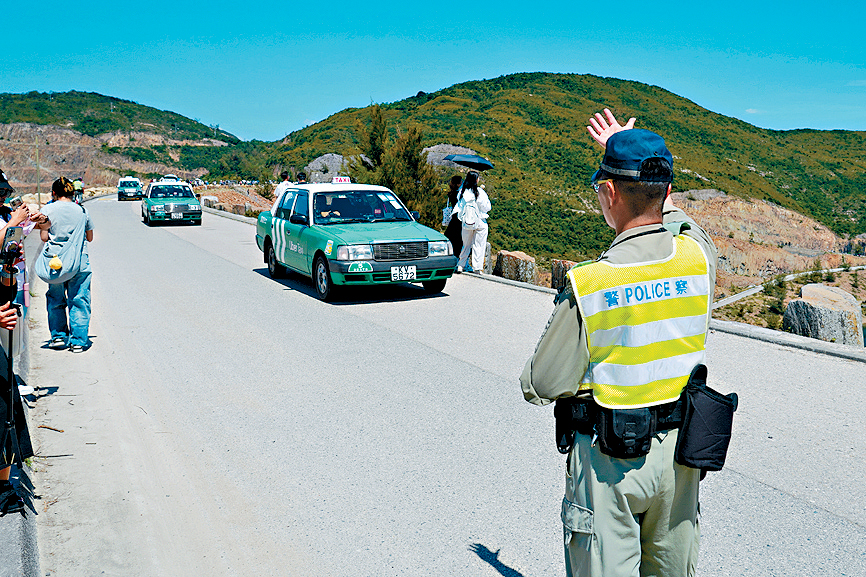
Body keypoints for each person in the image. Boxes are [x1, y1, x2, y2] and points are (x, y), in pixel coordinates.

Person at [520, 109, 717, 577]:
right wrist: (639, 157)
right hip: (680, 459)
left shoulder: (591, 284)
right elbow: (683, 222)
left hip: (610, 462)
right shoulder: (698, 257)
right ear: (667, 192)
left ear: (608, 193)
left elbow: (540, 383)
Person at [37, 177, 94, 352]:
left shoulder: (47, 210)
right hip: (78, 262)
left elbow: (44, 237)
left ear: (54, 193)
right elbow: (89, 237)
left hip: (56, 262)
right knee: (79, 300)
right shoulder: (81, 210)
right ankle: (78, 341)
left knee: (55, 299)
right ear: (71, 193)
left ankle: (59, 337)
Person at [455, 171, 491, 273]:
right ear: (476, 179)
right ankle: (477, 267)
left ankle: (461, 265)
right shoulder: (480, 192)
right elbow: (487, 207)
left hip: (466, 221)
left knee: (466, 244)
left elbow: (459, 207)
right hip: (480, 221)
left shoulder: (462, 191)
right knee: (479, 245)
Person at [443, 175, 464, 258]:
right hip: (459, 219)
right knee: (458, 241)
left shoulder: (451, 194)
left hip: (453, 219)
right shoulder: (459, 195)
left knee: (451, 239)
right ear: (459, 183)